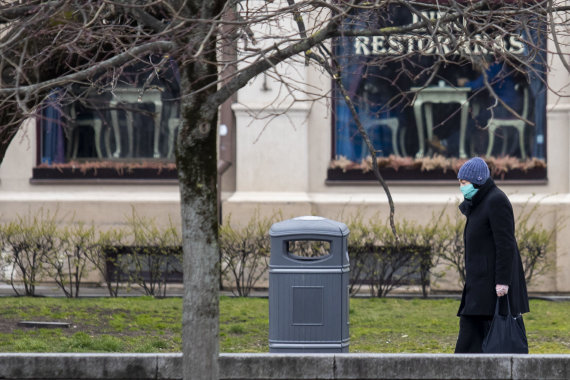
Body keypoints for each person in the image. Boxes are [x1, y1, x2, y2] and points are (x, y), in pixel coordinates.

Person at [454, 157, 529, 353]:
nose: (461, 187)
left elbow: (505, 244)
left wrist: (503, 282)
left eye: (464, 183)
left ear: (477, 180)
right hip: (478, 285)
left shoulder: (496, 200)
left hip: (491, 287)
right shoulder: (478, 202)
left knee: (478, 341)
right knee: (472, 340)